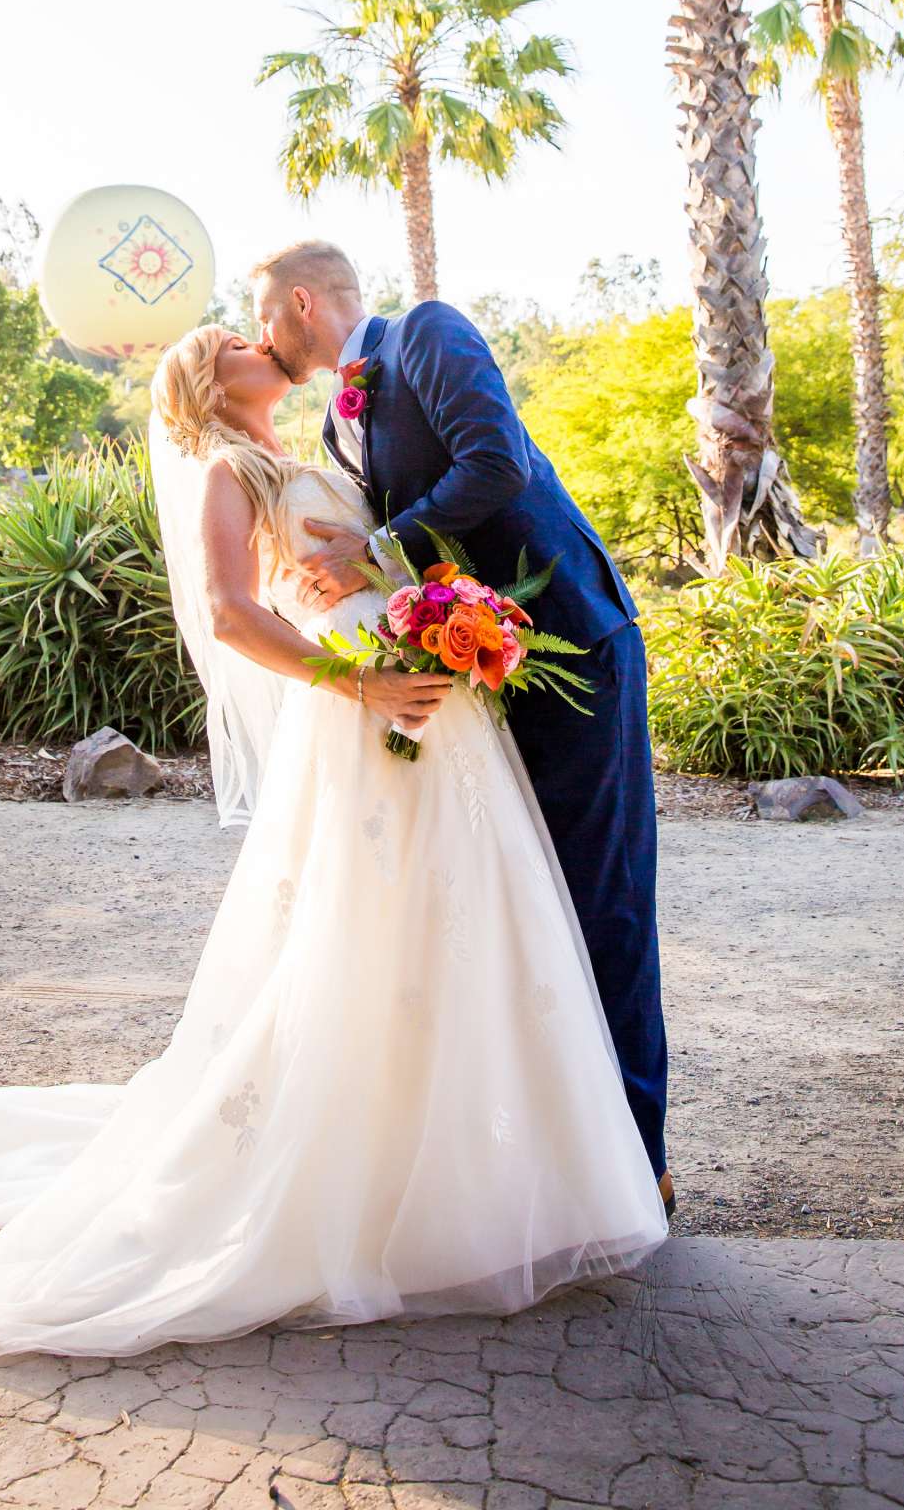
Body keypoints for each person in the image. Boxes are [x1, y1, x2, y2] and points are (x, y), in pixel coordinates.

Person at [0, 316, 667, 1361]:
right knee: (368, 928)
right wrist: (365, 682)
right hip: (363, 708)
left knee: (453, 924)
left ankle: (471, 1154)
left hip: (424, 708)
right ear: (216, 374)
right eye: (239, 337)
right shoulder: (220, 469)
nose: (263, 340)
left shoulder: (303, 455)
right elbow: (229, 615)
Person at [250, 239, 670, 1205]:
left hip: (573, 640)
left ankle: (640, 1165)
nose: (263, 336)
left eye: (265, 315)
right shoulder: (332, 424)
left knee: (602, 897)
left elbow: (498, 463)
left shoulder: (428, 333)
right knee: (522, 906)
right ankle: (557, 1159)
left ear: (302, 304)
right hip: (481, 673)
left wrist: (378, 549)